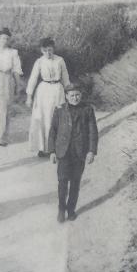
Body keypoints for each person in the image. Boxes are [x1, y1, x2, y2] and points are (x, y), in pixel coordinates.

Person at [47, 83, 98, 223]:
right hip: (63, 152)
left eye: (77, 95)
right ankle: (61, 209)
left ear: (81, 95)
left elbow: (93, 131)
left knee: (75, 182)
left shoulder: (87, 110)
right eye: (72, 95)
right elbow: (53, 131)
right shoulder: (59, 110)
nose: (75, 98)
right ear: (66, 96)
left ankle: (71, 210)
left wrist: (91, 151)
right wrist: (51, 151)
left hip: (79, 152)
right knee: (62, 182)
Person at [26, 37, 70, 157]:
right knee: (43, 118)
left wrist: (69, 92)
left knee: (56, 118)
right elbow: (33, 79)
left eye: (50, 50)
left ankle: (56, 147)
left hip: (57, 90)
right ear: (41, 50)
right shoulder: (39, 62)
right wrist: (29, 96)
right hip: (43, 92)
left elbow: (65, 78)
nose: (48, 53)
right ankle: (43, 147)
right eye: (45, 51)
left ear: (53, 49)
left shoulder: (60, 60)